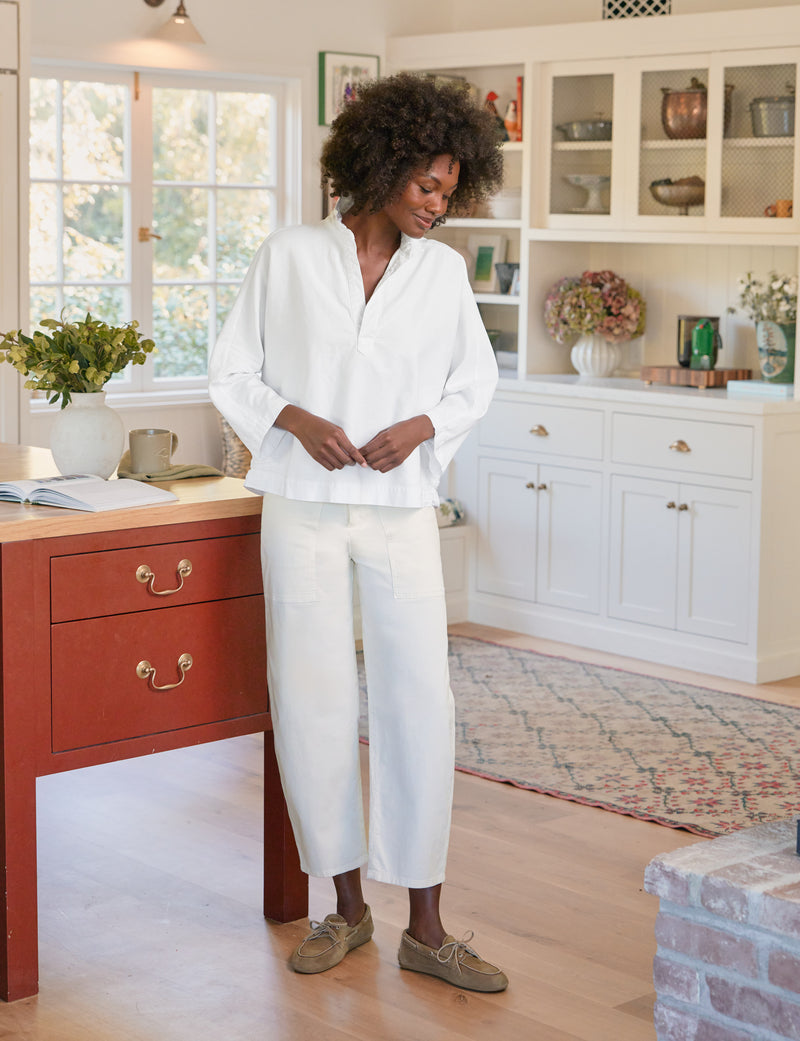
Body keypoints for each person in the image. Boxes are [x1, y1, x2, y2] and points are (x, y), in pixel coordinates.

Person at [209, 72, 506, 992]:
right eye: (426, 185)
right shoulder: (290, 255)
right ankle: (342, 908)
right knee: (311, 694)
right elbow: (233, 370)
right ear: (380, 169)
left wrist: (422, 427)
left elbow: (474, 381)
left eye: (451, 189)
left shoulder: (445, 272)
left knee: (421, 697)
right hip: (301, 503)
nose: (438, 203)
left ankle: (426, 922)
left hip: (402, 508)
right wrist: (296, 418)